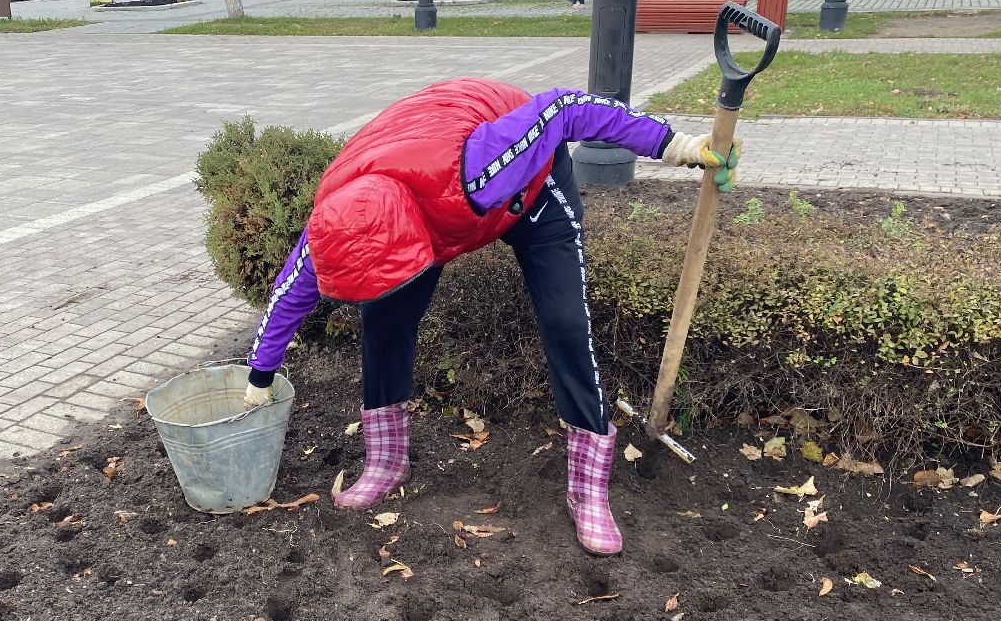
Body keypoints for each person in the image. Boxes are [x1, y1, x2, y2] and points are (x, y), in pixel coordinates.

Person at [241, 79, 741, 556]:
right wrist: (259, 377)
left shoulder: (481, 166)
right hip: (412, 182)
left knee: (566, 323)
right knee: (384, 319)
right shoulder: (338, 222)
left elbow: (564, 109)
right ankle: (387, 459)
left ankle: (587, 490)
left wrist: (673, 144)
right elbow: (288, 294)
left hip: (529, 189)